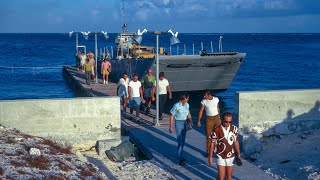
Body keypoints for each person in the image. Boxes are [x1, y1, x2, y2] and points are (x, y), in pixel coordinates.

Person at [208, 112, 241, 180]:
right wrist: (210, 157)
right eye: (226, 121)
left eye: (230, 122)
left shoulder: (234, 129)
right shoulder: (216, 130)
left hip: (231, 156)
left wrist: (238, 153)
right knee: (221, 177)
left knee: (228, 177)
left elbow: (236, 142)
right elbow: (212, 143)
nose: (228, 123)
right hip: (220, 156)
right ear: (222, 120)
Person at [169, 93, 192, 166]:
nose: (188, 99)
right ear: (184, 98)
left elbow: (188, 114)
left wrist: (190, 122)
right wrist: (170, 127)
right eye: (187, 98)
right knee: (180, 140)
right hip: (178, 123)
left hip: (185, 123)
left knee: (183, 140)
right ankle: (179, 157)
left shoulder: (187, 105)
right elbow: (172, 116)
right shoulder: (176, 105)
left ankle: (180, 154)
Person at [197, 90, 221, 157]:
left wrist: (219, 117)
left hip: (216, 118)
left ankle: (217, 151)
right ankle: (208, 151)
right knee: (209, 136)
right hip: (209, 119)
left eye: (205, 95)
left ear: (209, 95)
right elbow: (201, 111)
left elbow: (218, 108)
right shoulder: (203, 101)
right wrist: (199, 120)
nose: (204, 96)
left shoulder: (216, 99)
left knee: (218, 135)